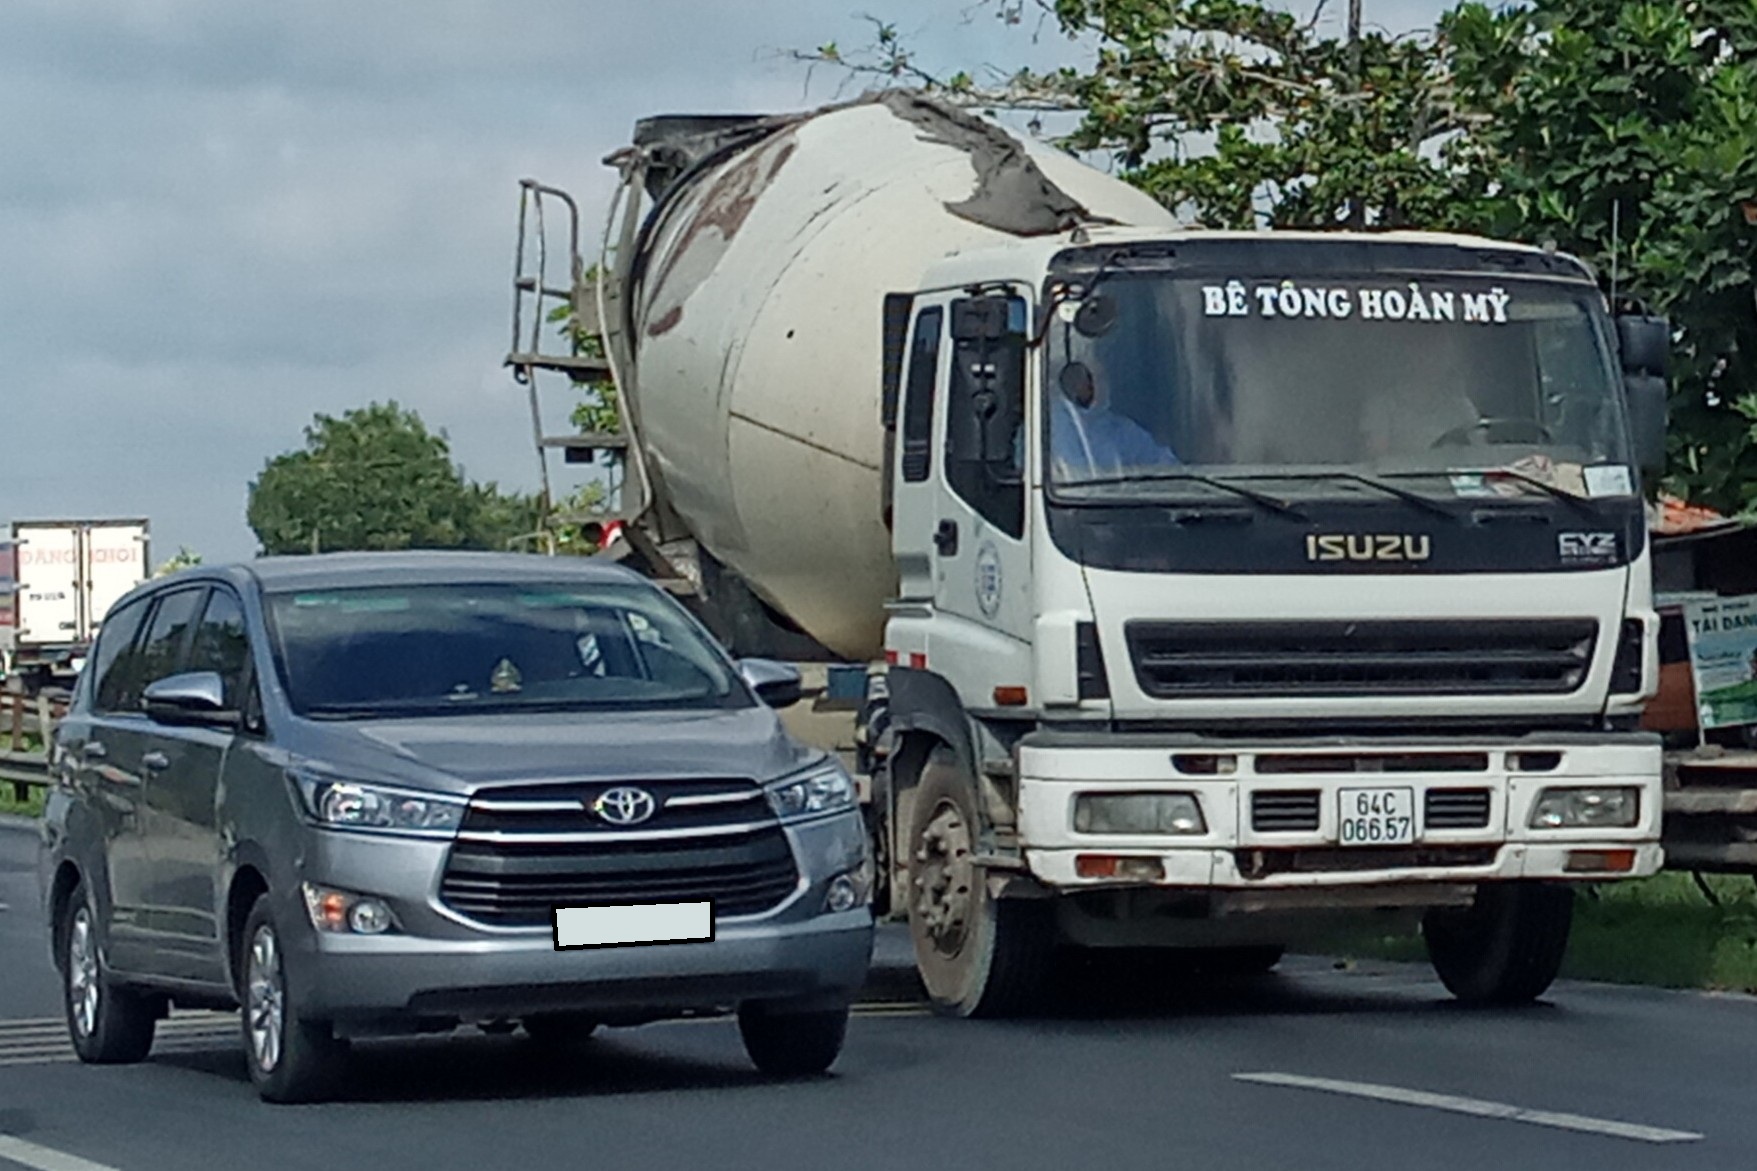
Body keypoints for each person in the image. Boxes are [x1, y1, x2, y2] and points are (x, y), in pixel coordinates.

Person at [1049, 361, 1179, 481]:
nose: (1097, 386)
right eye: (1089, 379)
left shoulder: (1121, 431)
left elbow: (1167, 467)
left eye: (1102, 379)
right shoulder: (1049, 424)